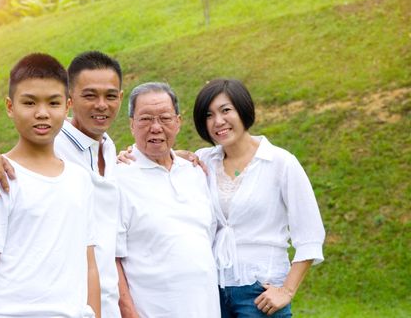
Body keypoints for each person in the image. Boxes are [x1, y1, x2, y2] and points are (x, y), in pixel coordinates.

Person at [0, 50, 124, 318]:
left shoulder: (80, 178)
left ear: (67, 106)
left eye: (53, 103)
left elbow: (89, 265)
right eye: (29, 103)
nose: (42, 113)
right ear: (10, 106)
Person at [192, 78, 325, 317]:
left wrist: (286, 290)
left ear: (243, 110)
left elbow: (310, 234)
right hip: (211, 292)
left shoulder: (280, 162)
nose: (218, 121)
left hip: (259, 295)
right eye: (209, 115)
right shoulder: (203, 161)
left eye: (225, 110)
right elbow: (164, 163)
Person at [115, 82, 221, 318]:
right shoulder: (118, 178)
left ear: (178, 122)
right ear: (132, 124)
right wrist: (128, 313)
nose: (155, 127)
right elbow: (111, 258)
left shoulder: (195, 172)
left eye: (164, 118)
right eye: (145, 119)